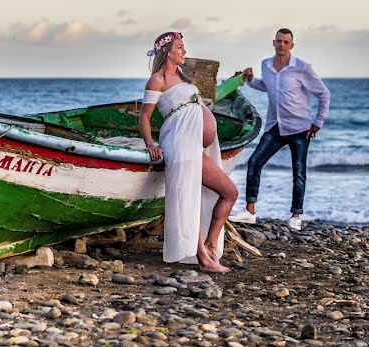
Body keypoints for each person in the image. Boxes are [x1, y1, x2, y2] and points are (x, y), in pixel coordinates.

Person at [138, 31, 238, 273]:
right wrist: (150, 144)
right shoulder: (157, 80)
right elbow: (144, 116)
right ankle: (204, 259)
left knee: (229, 192)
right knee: (188, 200)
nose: (184, 51)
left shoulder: (183, 76)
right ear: (166, 51)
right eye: (180, 47)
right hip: (179, 144)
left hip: (195, 147)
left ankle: (211, 245)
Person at [229, 28, 330, 231]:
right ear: (273, 43)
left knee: (298, 173)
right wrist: (249, 79)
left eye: (285, 42)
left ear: (292, 45)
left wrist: (318, 121)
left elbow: (323, 94)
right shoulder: (266, 65)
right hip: (276, 126)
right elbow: (265, 85)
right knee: (255, 161)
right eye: (278, 41)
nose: (281, 45)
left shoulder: (302, 68)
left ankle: (295, 215)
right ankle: (250, 212)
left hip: (300, 128)